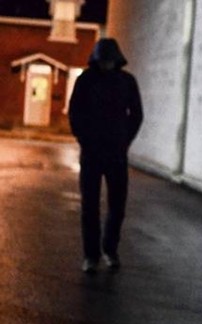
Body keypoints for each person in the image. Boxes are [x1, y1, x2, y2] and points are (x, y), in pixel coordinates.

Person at [69, 38, 143, 273]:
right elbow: (75, 111)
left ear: (116, 60)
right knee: (90, 206)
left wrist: (124, 140)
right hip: (92, 153)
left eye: (109, 61)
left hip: (116, 154)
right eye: (103, 61)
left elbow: (137, 114)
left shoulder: (127, 82)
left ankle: (109, 250)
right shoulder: (86, 80)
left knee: (117, 205)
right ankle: (91, 256)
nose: (106, 65)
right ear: (97, 59)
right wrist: (83, 139)